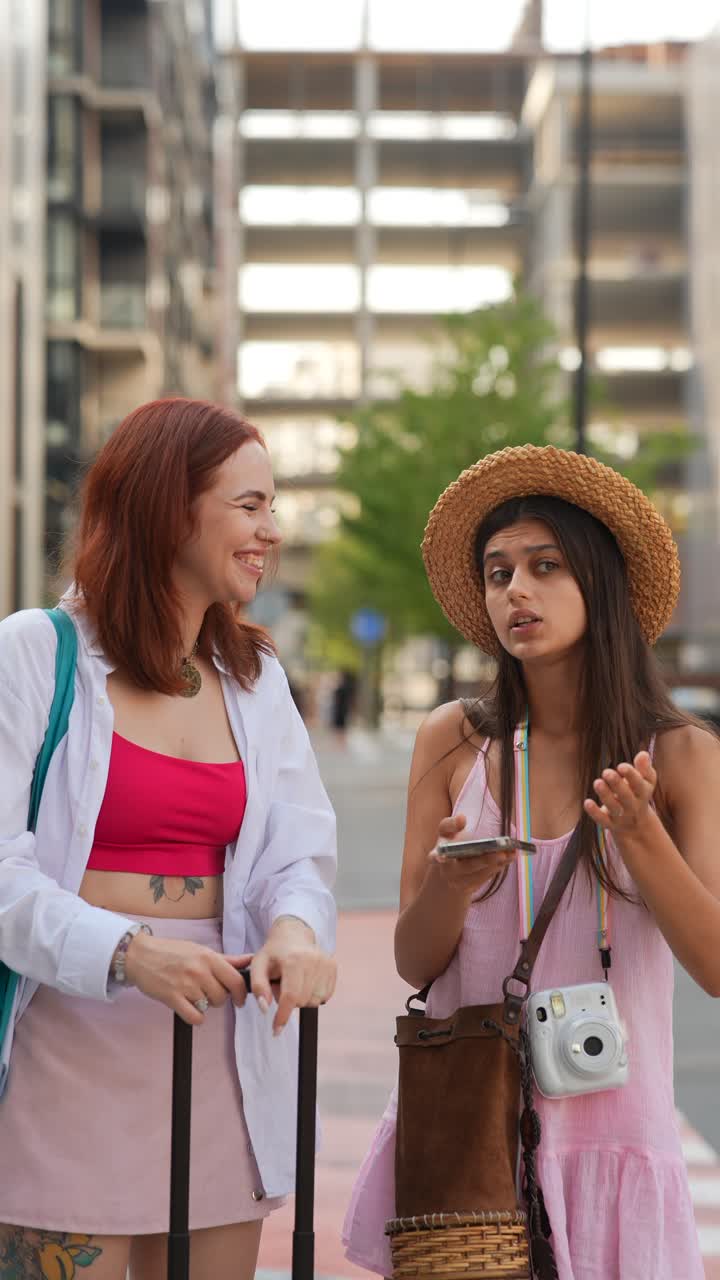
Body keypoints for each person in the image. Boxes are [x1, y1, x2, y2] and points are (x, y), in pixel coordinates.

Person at [343, 444, 720, 1280]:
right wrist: (449, 882)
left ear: (601, 582)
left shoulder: (681, 756)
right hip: (470, 1132)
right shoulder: (456, 740)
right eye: (497, 571)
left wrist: (641, 835)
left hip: (616, 1135)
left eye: (546, 566)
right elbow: (414, 958)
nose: (517, 590)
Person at [0, 397, 337, 1280]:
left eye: (273, 505)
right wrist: (129, 953)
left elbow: (297, 854)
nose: (270, 530)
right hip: (65, 1051)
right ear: (166, 505)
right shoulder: (35, 655)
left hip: (223, 1051)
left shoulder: (253, 678)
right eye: (249, 504)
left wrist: (297, 930)